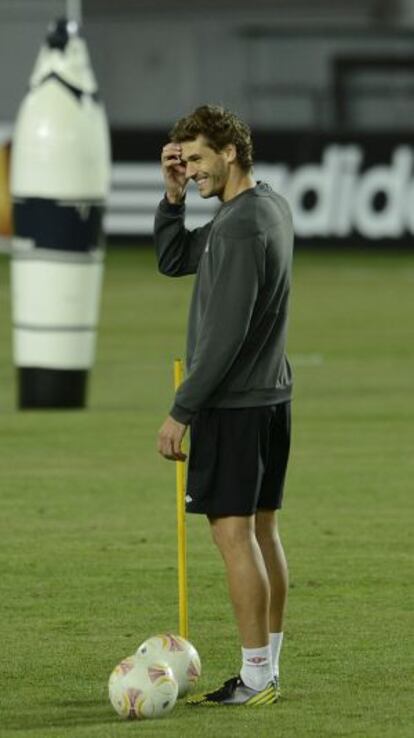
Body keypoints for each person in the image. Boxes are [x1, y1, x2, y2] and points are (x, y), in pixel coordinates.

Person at [154, 105, 293, 707]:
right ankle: (269, 666)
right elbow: (175, 259)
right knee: (262, 530)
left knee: (233, 535)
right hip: (270, 397)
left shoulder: (238, 227)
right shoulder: (264, 207)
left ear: (230, 152)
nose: (193, 170)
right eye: (184, 161)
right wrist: (172, 195)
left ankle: (257, 675)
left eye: (199, 159)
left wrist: (181, 410)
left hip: (234, 405)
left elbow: (224, 335)